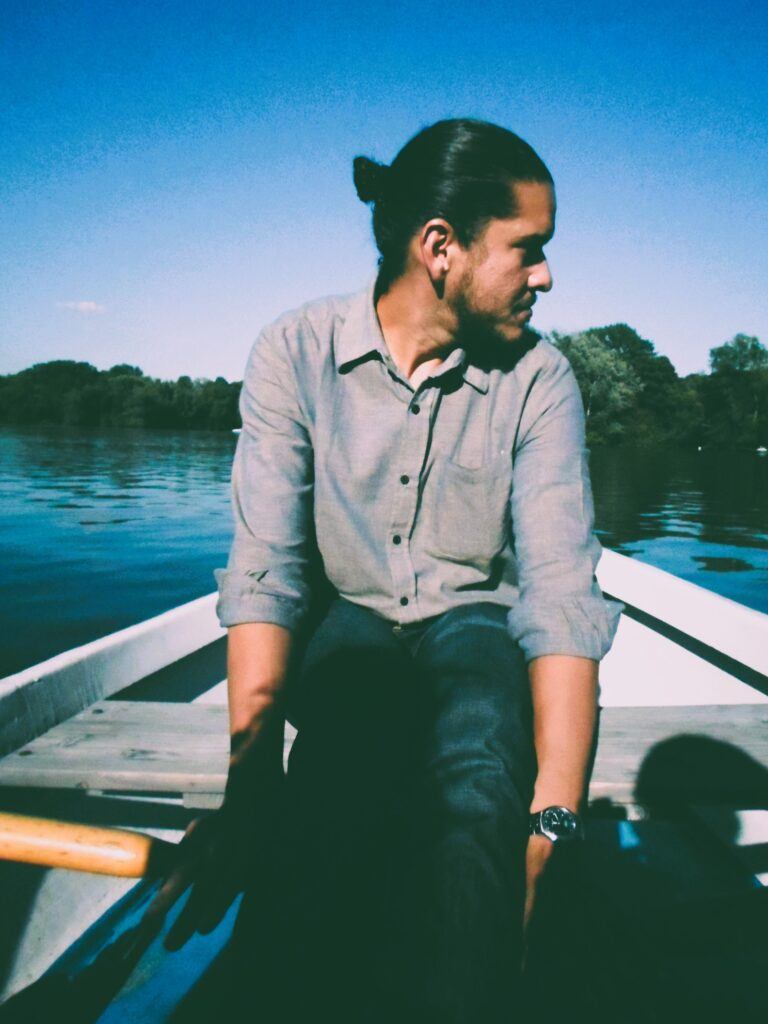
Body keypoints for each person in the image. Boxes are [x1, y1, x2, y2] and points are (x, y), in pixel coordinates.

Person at [154, 118, 622, 1023]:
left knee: (482, 756)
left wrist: (554, 827)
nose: (546, 276)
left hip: (473, 619)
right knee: (345, 755)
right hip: (351, 616)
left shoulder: (541, 380)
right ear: (440, 247)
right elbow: (268, 575)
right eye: (528, 248)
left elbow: (561, 595)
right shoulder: (293, 353)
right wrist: (249, 796)